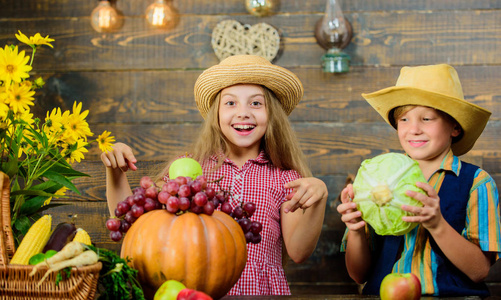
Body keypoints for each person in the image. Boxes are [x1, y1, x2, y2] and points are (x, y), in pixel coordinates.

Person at [101, 55, 328, 295]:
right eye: (230, 103)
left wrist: (319, 198)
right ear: (216, 115)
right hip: (196, 292)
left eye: (256, 103)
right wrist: (115, 172)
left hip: (262, 294)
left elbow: (298, 252)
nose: (243, 113)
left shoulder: (285, 178)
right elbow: (136, 226)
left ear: (271, 115)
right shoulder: (189, 168)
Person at [337, 64, 501, 296]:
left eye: (426, 118)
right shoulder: (374, 181)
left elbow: (479, 271)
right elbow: (359, 275)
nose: (413, 129)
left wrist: (437, 225)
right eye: (403, 119)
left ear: (455, 126)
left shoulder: (477, 183)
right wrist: (354, 230)